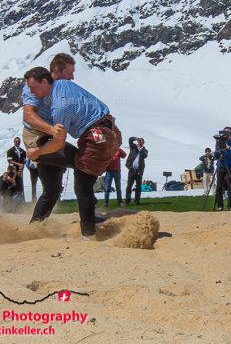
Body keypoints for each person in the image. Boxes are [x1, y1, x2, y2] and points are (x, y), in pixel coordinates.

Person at [24, 66, 122, 240]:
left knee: (82, 187)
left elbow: (58, 143)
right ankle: (37, 227)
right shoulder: (62, 84)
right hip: (111, 132)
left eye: (33, 88)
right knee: (58, 187)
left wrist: (36, 152)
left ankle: (89, 236)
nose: (31, 92)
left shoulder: (59, 107)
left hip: (96, 137)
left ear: (45, 82)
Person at [20, 53, 76, 208]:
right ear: (56, 72)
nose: (72, 78)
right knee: (80, 160)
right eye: (69, 73)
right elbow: (29, 116)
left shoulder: (62, 91)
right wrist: (52, 131)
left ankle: (35, 227)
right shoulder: (37, 84)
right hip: (36, 136)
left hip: (51, 137)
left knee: (53, 189)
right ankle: (89, 215)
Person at [213, 127, 231, 211]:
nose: (226, 134)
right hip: (221, 165)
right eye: (225, 132)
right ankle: (219, 205)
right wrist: (216, 150)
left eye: (228, 132)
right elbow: (215, 156)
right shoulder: (219, 142)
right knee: (219, 186)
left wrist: (229, 148)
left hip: (230, 166)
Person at [125, 137, 148, 205]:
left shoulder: (144, 150)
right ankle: (127, 201)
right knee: (129, 185)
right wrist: (136, 138)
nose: (140, 142)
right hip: (132, 170)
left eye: (142, 141)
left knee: (138, 186)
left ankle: (137, 201)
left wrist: (142, 150)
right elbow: (130, 140)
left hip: (139, 171)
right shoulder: (133, 148)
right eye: (139, 141)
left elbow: (145, 155)